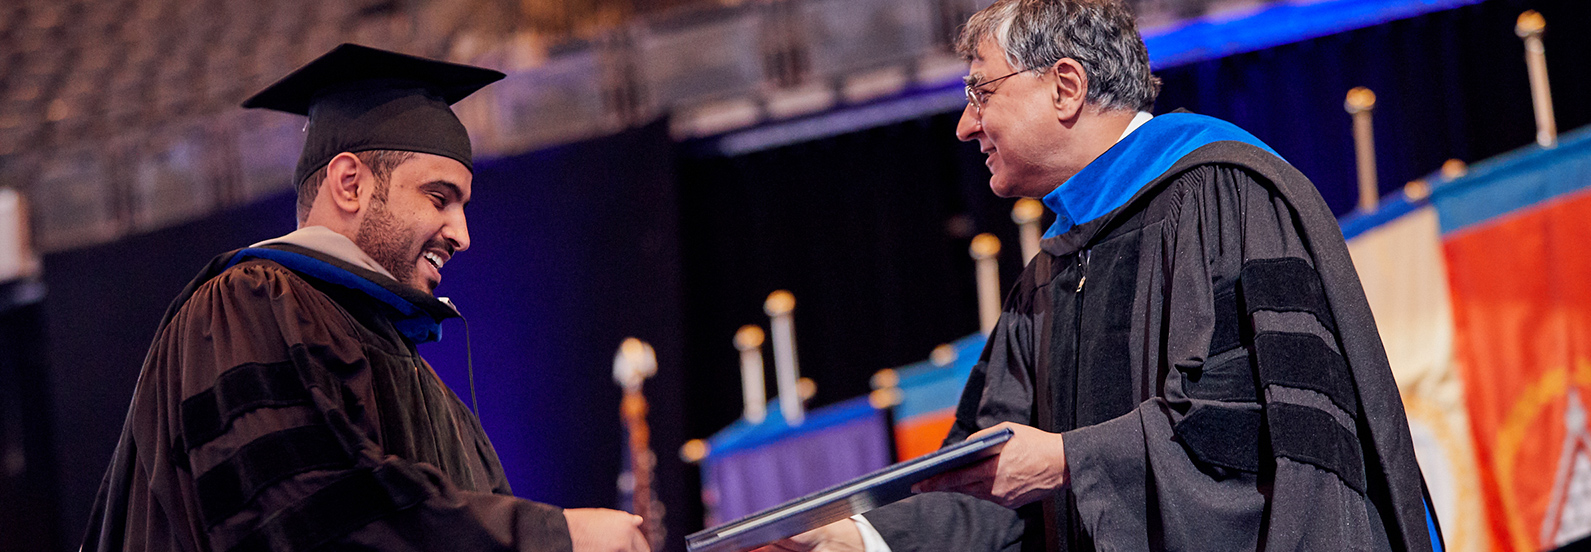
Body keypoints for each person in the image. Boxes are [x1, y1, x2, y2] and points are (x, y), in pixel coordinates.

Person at [769, 0, 1440, 550]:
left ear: (1066, 86)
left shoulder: (1227, 197)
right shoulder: (1049, 277)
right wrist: (856, 538)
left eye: (980, 92)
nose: (965, 126)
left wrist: (1071, 460)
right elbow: (990, 490)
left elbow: (1267, 435)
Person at [81, 44, 649, 552]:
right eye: (438, 197)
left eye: (464, 205)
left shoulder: (431, 393)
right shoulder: (244, 306)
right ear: (350, 184)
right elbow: (302, 518)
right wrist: (557, 536)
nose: (462, 233)